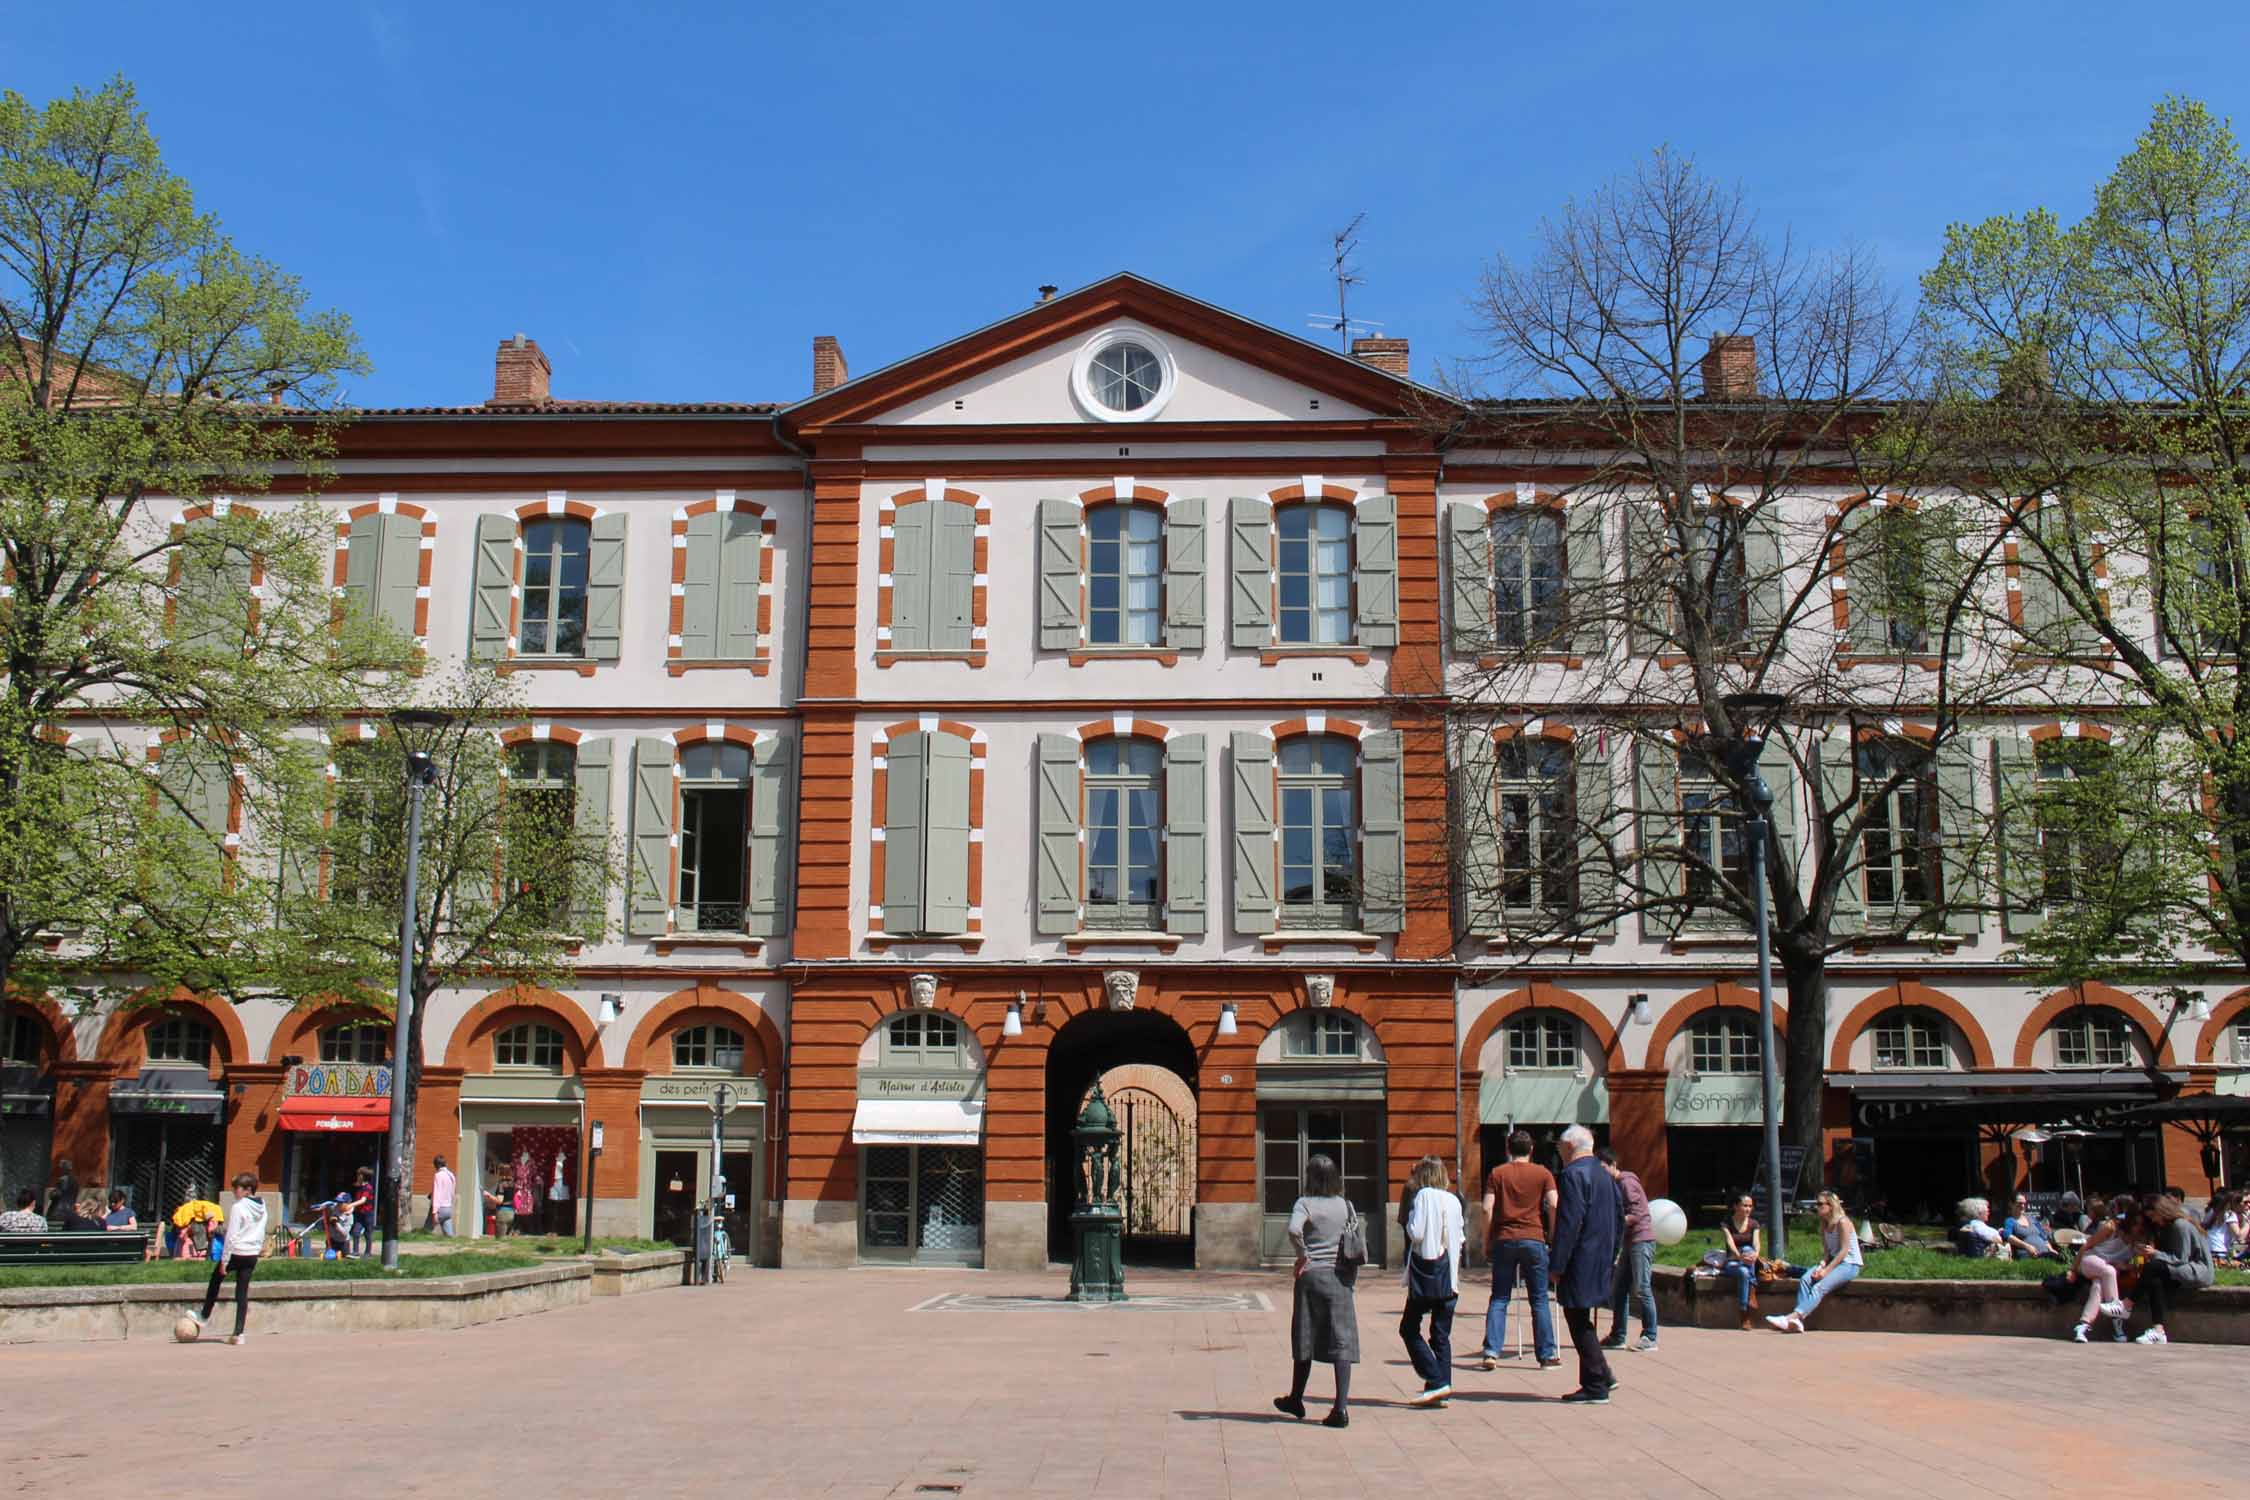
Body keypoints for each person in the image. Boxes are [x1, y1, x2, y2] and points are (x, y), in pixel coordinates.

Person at [1274, 1153, 1358, 1429]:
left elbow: (1293, 1230)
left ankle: (1296, 1398)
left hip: (1311, 1278)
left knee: (1305, 1336)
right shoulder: (1346, 1205)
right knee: (1341, 1340)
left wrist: (1303, 1256)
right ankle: (1340, 1408)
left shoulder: (1304, 1203)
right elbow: (1355, 1236)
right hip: (1340, 1278)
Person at [1548, 1123, 1620, 1405]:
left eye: (1560, 1148)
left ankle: (1595, 1383)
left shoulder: (1572, 1175)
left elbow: (1569, 1222)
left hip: (1580, 1259)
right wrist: (1612, 1253)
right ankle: (1603, 1373)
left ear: (1569, 1147)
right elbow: (1619, 1218)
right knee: (1581, 1316)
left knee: (1577, 1318)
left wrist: (1557, 1263)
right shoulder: (1605, 1176)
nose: (1560, 1152)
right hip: (1600, 1257)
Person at [1477, 1129, 1559, 1370]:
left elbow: (1486, 1209)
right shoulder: (1543, 1173)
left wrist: (1486, 1240)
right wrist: (1552, 1234)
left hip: (1504, 1239)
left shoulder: (1497, 1173)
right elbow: (1554, 1203)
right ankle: (1546, 1354)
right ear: (1531, 1149)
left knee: (1500, 1297)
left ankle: (1491, 1351)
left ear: (1507, 1149)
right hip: (1533, 1238)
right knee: (1540, 1299)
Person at [1398, 1155, 1466, 1407]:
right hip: (1449, 1276)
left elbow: (1416, 1232)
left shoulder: (1422, 1196)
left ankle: (1436, 1379)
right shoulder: (1454, 1200)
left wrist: (1409, 1223)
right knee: (1440, 1335)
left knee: (1409, 1328)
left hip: (1426, 1273)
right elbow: (1460, 1237)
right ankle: (1441, 1387)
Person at [1766, 1190, 1862, 1332]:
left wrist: (1826, 1271)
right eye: (1816, 1204)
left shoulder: (1843, 1222)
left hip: (1849, 1264)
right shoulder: (1824, 1224)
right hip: (1832, 1262)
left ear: (1831, 1205)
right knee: (1805, 1278)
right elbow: (1827, 1252)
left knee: (1819, 1287)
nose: (1817, 1207)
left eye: (1820, 1204)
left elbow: (1844, 1251)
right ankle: (1797, 1322)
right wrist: (1821, 1266)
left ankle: (1791, 1318)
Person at [192, 1172, 268, 1346]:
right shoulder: (263, 1206)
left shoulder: (238, 1207)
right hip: (251, 1254)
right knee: (242, 1292)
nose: (234, 1191)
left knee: (215, 1279)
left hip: (237, 1252)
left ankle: (204, 1315)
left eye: (237, 1188)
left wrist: (224, 1261)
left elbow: (231, 1236)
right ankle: (238, 1333)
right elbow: (261, 1230)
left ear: (248, 1190)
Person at [1597, 1147, 1658, 1353]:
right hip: (1629, 1242)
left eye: (1603, 1167)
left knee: (1642, 1288)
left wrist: (1615, 1222)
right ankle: (1618, 1335)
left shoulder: (1625, 1182)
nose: (1601, 1172)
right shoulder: (1614, 1184)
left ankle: (1650, 1336)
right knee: (1619, 1289)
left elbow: (1636, 1213)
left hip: (1641, 1240)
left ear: (1613, 1165)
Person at [2135, 1190, 2214, 1344]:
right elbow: (2166, 1257)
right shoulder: (2162, 1228)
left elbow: (2180, 1258)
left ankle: (2127, 1304)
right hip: (2180, 1268)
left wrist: (2154, 1253)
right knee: (2155, 1281)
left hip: (2197, 1270)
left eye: (2153, 1216)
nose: (2154, 1220)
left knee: (2153, 1267)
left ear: (2161, 1211)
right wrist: (2141, 1256)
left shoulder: (2180, 1225)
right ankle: (2158, 1330)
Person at [2068, 1195, 2140, 1343]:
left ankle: (2083, 1325)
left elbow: (2139, 1259)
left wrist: (2128, 1265)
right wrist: (2073, 1270)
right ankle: (2117, 1321)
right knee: (2109, 1271)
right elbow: (2086, 1246)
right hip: (2090, 1260)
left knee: (2098, 1286)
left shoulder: (2138, 1234)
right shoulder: (2110, 1226)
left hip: (2106, 1268)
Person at [1715, 1191, 1762, 1330]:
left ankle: (1744, 1313)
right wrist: (1739, 1256)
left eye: (1750, 1206)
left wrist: (1756, 1254)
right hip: (1732, 1261)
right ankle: (1751, 1291)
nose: (1748, 1209)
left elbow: (1757, 1242)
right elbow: (1730, 1242)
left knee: (1745, 1266)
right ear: (1736, 1206)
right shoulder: (1727, 1223)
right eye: (1745, 1205)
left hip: (1748, 1261)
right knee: (1743, 1262)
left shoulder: (1754, 1224)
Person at [2001, 1194, 2060, 1260]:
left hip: (2046, 1254)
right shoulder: (2010, 1221)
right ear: (2011, 1204)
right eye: (2020, 1203)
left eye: (2024, 1203)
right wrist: (2027, 1246)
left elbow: (2043, 1237)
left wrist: (2051, 1249)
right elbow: (2008, 1237)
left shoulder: (2032, 1219)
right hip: (2029, 1255)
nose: (2022, 1206)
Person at [2202, 1190, 2242, 1264]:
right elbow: (2238, 1235)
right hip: (2220, 1252)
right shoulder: (2230, 1214)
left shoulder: (2210, 1212)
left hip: (2207, 1250)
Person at [349, 1167, 376, 1257]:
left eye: (359, 1175)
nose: (357, 1176)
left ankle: (368, 1252)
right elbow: (357, 1199)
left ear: (363, 1176)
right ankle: (355, 1251)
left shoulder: (368, 1188)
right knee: (356, 1232)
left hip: (368, 1214)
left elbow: (363, 1200)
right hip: (359, 1214)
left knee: (368, 1233)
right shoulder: (358, 1187)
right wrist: (352, 1209)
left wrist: (350, 1205)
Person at [431, 1155, 457, 1237]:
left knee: (426, 1230)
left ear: (436, 1165)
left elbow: (437, 1194)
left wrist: (434, 1212)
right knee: (449, 1235)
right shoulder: (451, 1175)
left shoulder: (438, 1175)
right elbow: (452, 1192)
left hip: (440, 1208)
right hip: (448, 1207)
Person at [485, 1172, 515, 1238]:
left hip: (503, 1213)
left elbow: (499, 1200)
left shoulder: (502, 1184)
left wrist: (488, 1195)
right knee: (509, 1239)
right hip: (512, 1212)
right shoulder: (513, 1183)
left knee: (500, 1239)